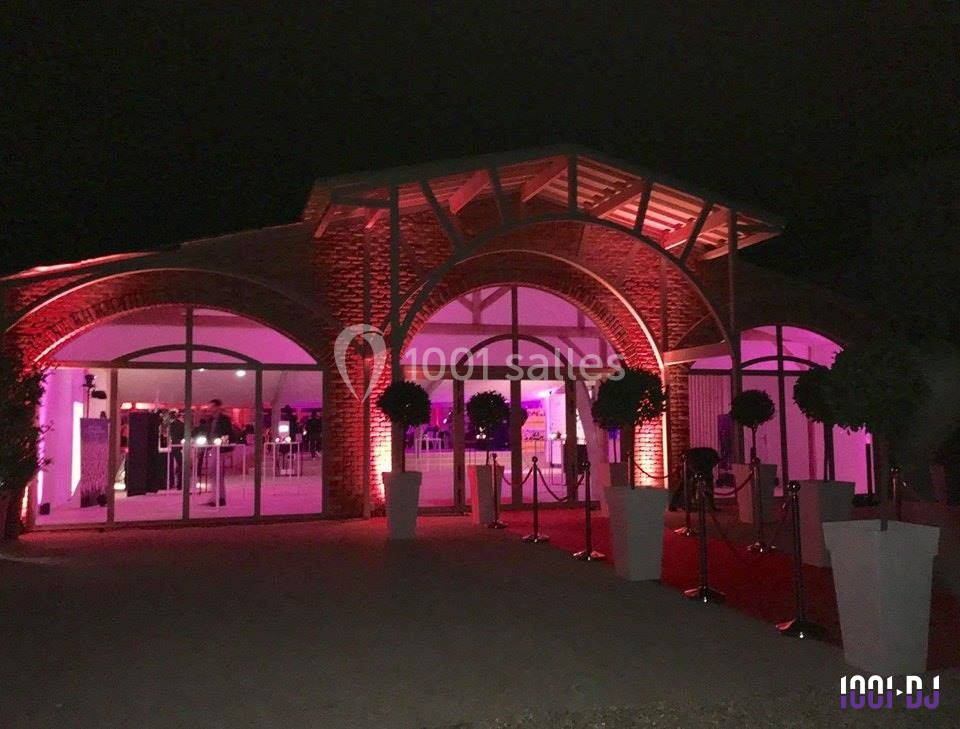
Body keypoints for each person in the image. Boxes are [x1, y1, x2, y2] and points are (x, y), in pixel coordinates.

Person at [198, 399, 232, 506]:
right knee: (215, 473)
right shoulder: (211, 420)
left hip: (220, 449)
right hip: (213, 448)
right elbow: (210, 433)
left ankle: (218, 498)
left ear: (217, 407)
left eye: (211, 406)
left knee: (216, 472)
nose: (210, 409)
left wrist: (223, 446)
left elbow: (226, 433)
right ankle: (219, 497)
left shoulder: (224, 419)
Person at [168, 410, 185, 490]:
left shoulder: (170, 425)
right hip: (179, 447)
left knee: (173, 465)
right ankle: (179, 484)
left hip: (172, 447)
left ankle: (174, 483)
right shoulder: (181, 424)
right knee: (180, 465)